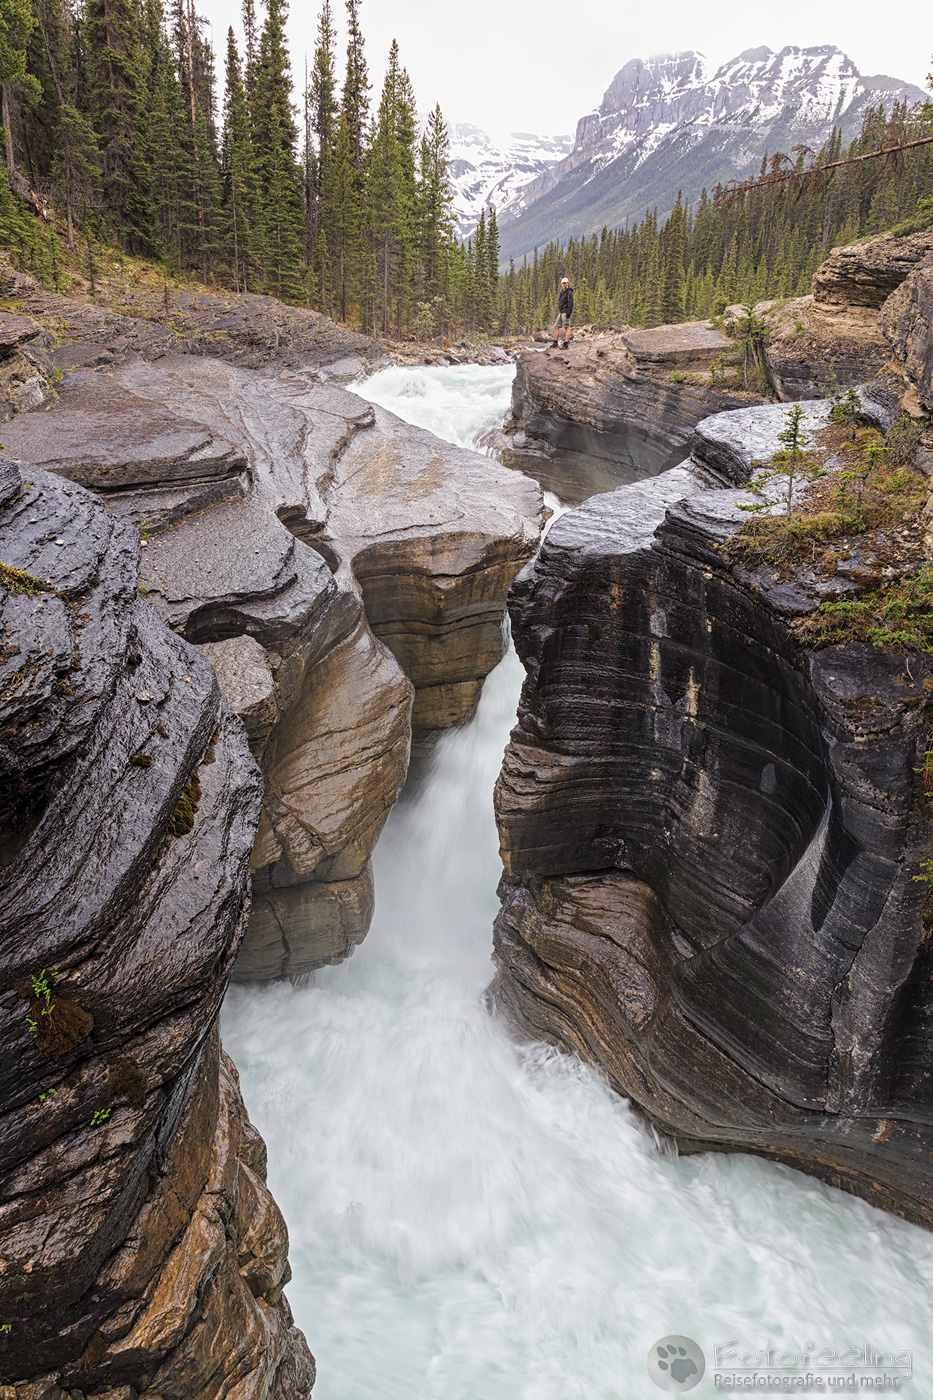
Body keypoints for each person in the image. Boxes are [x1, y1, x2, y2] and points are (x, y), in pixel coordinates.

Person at [551, 277, 573, 348]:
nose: (564, 284)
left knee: (567, 328)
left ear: (567, 283)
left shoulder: (569, 292)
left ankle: (566, 343)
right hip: (561, 312)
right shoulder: (562, 291)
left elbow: (570, 303)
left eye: (565, 283)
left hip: (565, 312)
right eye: (563, 283)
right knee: (556, 326)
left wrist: (569, 312)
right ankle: (555, 342)